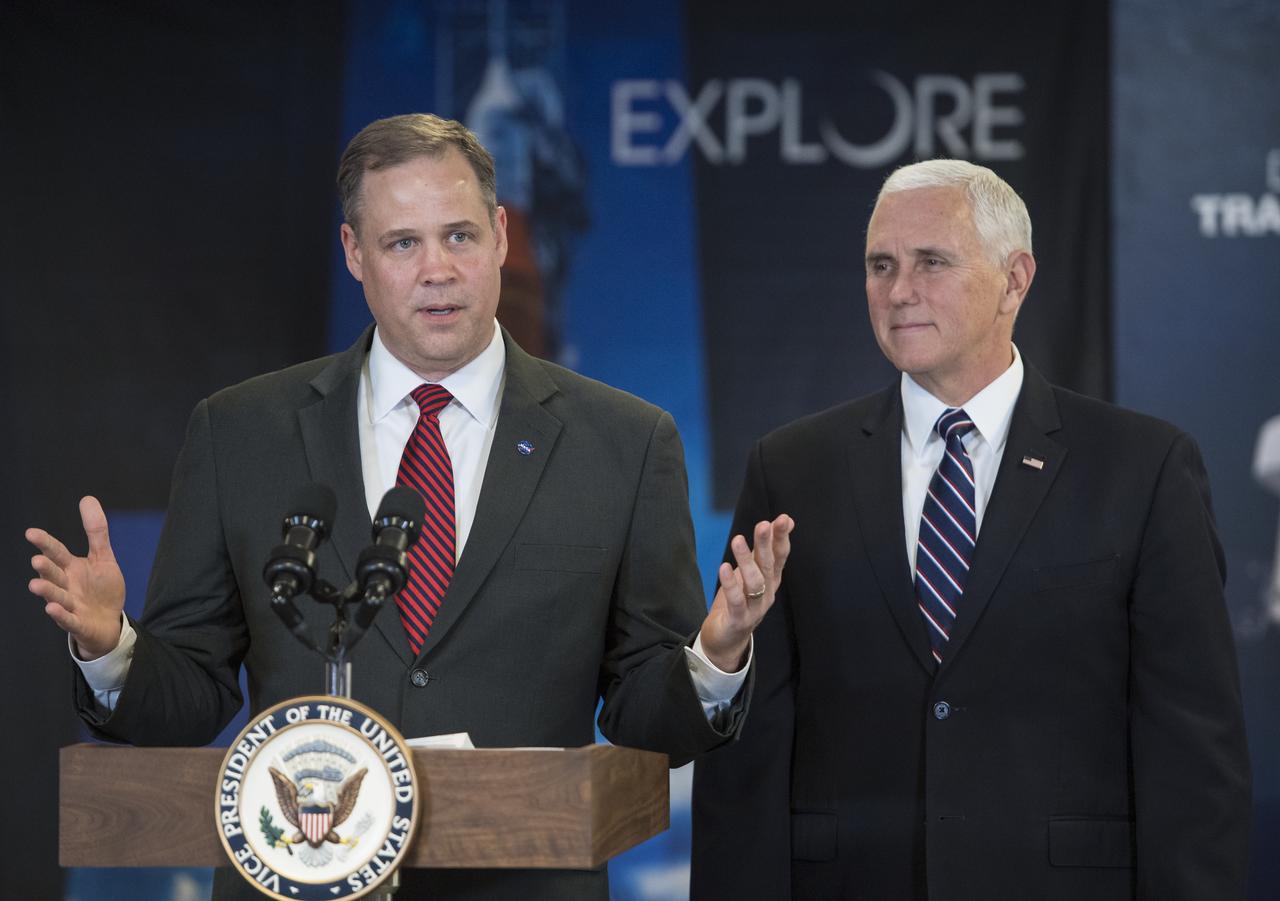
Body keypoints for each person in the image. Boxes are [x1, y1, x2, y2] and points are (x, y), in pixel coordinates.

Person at [26, 113, 793, 901]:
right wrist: (111, 647)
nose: (438, 270)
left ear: (500, 235)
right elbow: (188, 694)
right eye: (402, 244)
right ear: (354, 252)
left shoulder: (626, 443)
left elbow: (644, 712)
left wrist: (714, 657)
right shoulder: (241, 432)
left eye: (459, 236)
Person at [691, 160, 1251, 900]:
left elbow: (1193, 750)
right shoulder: (793, 467)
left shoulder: (1142, 468)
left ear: (1014, 280)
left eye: (932, 262)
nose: (898, 291)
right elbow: (754, 742)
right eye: (880, 265)